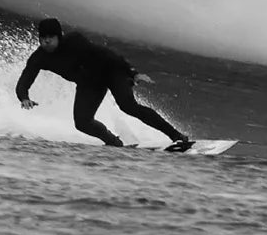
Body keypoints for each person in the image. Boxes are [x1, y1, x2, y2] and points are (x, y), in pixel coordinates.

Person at [12, 16, 193, 150]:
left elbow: (105, 54)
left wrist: (132, 72)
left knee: (128, 106)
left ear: (59, 36)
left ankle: (176, 136)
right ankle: (114, 142)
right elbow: (25, 79)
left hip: (111, 72)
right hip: (89, 84)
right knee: (82, 122)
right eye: (43, 38)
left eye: (50, 37)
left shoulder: (74, 41)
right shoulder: (39, 57)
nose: (46, 42)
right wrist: (24, 97)